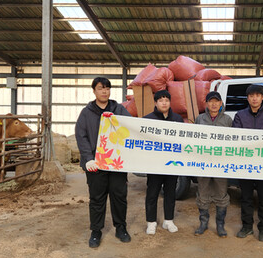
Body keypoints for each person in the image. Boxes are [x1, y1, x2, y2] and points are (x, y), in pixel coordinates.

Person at [75, 77, 131, 248]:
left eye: (107, 88)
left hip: (115, 162)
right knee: (97, 198)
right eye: (100, 88)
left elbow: (131, 128)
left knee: (119, 196)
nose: (104, 91)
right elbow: (81, 135)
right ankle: (96, 231)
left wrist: (115, 121)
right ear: (94, 91)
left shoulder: (119, 109)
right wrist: (88, 158)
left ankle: (120, 227)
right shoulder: (87, 112)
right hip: (96, 164)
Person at [232, 84, 263, 241]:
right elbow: (237, 137)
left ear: (262, 97)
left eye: (257, 95)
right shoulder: (239, 116)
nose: (254, 98)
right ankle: (246, 227)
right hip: (245, 164)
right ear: (248, 98)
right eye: (251, 96)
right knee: (245, 197)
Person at [143, 90, 185, 235]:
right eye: (161, 100)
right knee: (152, 193)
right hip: (154, 165)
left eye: (166, 100)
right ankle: (151, 222)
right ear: (156, 103)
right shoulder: (147, 120)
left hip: (172, 164)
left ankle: (168, 220)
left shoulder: (178, 119)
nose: (164, 102)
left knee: (170, 193)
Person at [195, 91, 232, 237]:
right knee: (203, 193)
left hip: (221, 164)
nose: (214, 104)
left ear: (221, 103)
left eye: (217, 101)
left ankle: (220, 225)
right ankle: (203, 223)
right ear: (206, 104)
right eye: (211, 101)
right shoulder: (200, 119)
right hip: (203, 163)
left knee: (221, 193)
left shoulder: (228, 120)